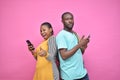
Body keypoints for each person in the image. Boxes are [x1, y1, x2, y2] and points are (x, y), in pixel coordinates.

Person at [56, 12, 90, 80]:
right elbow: (64, 56)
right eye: (67, 19)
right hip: (70, 77)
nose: (70, 21)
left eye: (71, 18)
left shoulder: (75, 34)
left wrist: (84, 45)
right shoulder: (61, 35)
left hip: (83, 74)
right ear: (62, 21)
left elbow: (80, 52)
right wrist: (79, 44)